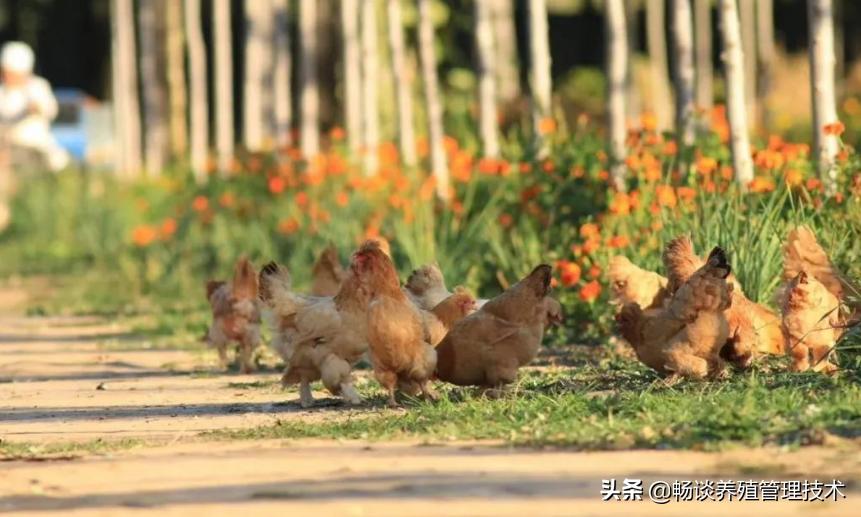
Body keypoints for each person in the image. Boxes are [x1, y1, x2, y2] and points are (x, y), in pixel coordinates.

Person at [0, 41, 69, 172]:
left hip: (35, 147)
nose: (7, 76)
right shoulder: (2, 91)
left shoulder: (37, 87)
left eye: (11, 73)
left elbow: (50, 110)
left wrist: (37, 108)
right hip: (6, 147)